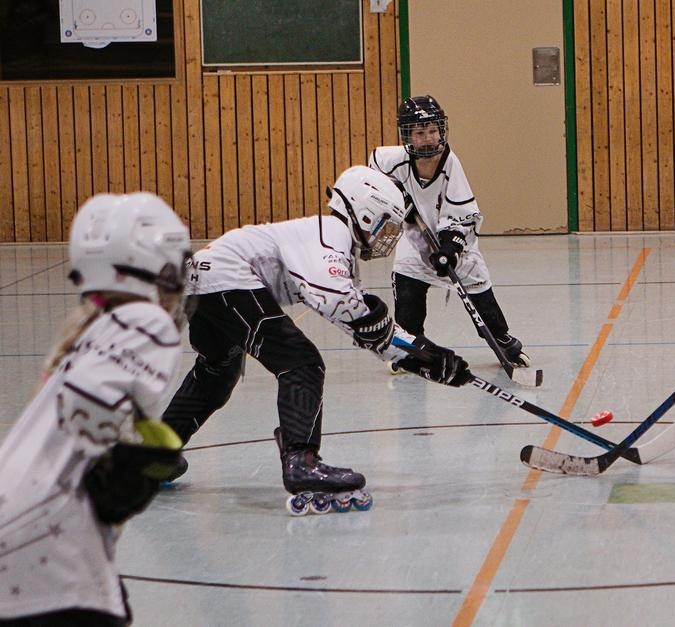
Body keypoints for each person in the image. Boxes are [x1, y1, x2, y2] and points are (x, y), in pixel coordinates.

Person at [160, 165, 472, 514]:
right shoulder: (331, 236)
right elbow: (338, 301)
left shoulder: (330, 243)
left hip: (204, 281)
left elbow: (359, 323)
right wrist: (384, 329)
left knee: (218, 371)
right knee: (301, 362)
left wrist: (427, 358)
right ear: (365, 212)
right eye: (385, 224)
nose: (388, 236)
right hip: (227, 280)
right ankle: (301, 461)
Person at [0, 193, 191, 626]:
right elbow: (89, 408)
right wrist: (123, 462)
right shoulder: (147, 322)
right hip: (46, 545)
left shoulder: (91, 329)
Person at [369, 94, 531, 375]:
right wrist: (395, 195)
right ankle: (409, 347)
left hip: (454, 242)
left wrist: (449, 249)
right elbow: (374, 168)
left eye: (433, 130)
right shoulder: (391, 160)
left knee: (479, 291)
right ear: (408, 135)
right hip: (415, 237)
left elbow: (463, 215)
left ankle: (502, 341)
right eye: (420, 133)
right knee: (407, 290)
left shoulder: (450, 163)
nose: (429, 138)